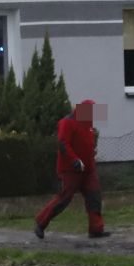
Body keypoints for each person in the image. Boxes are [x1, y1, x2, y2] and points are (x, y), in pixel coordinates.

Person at [34, 99, 108, 239]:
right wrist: (75, 160)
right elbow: (63, 144)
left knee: (94, 197)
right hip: (70, 169)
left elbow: (88, 144)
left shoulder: (88, 124)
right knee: (64, 199)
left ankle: (96, 229)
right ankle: (41, 222)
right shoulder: (66, 122)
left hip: (88, 170)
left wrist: (91, 158)